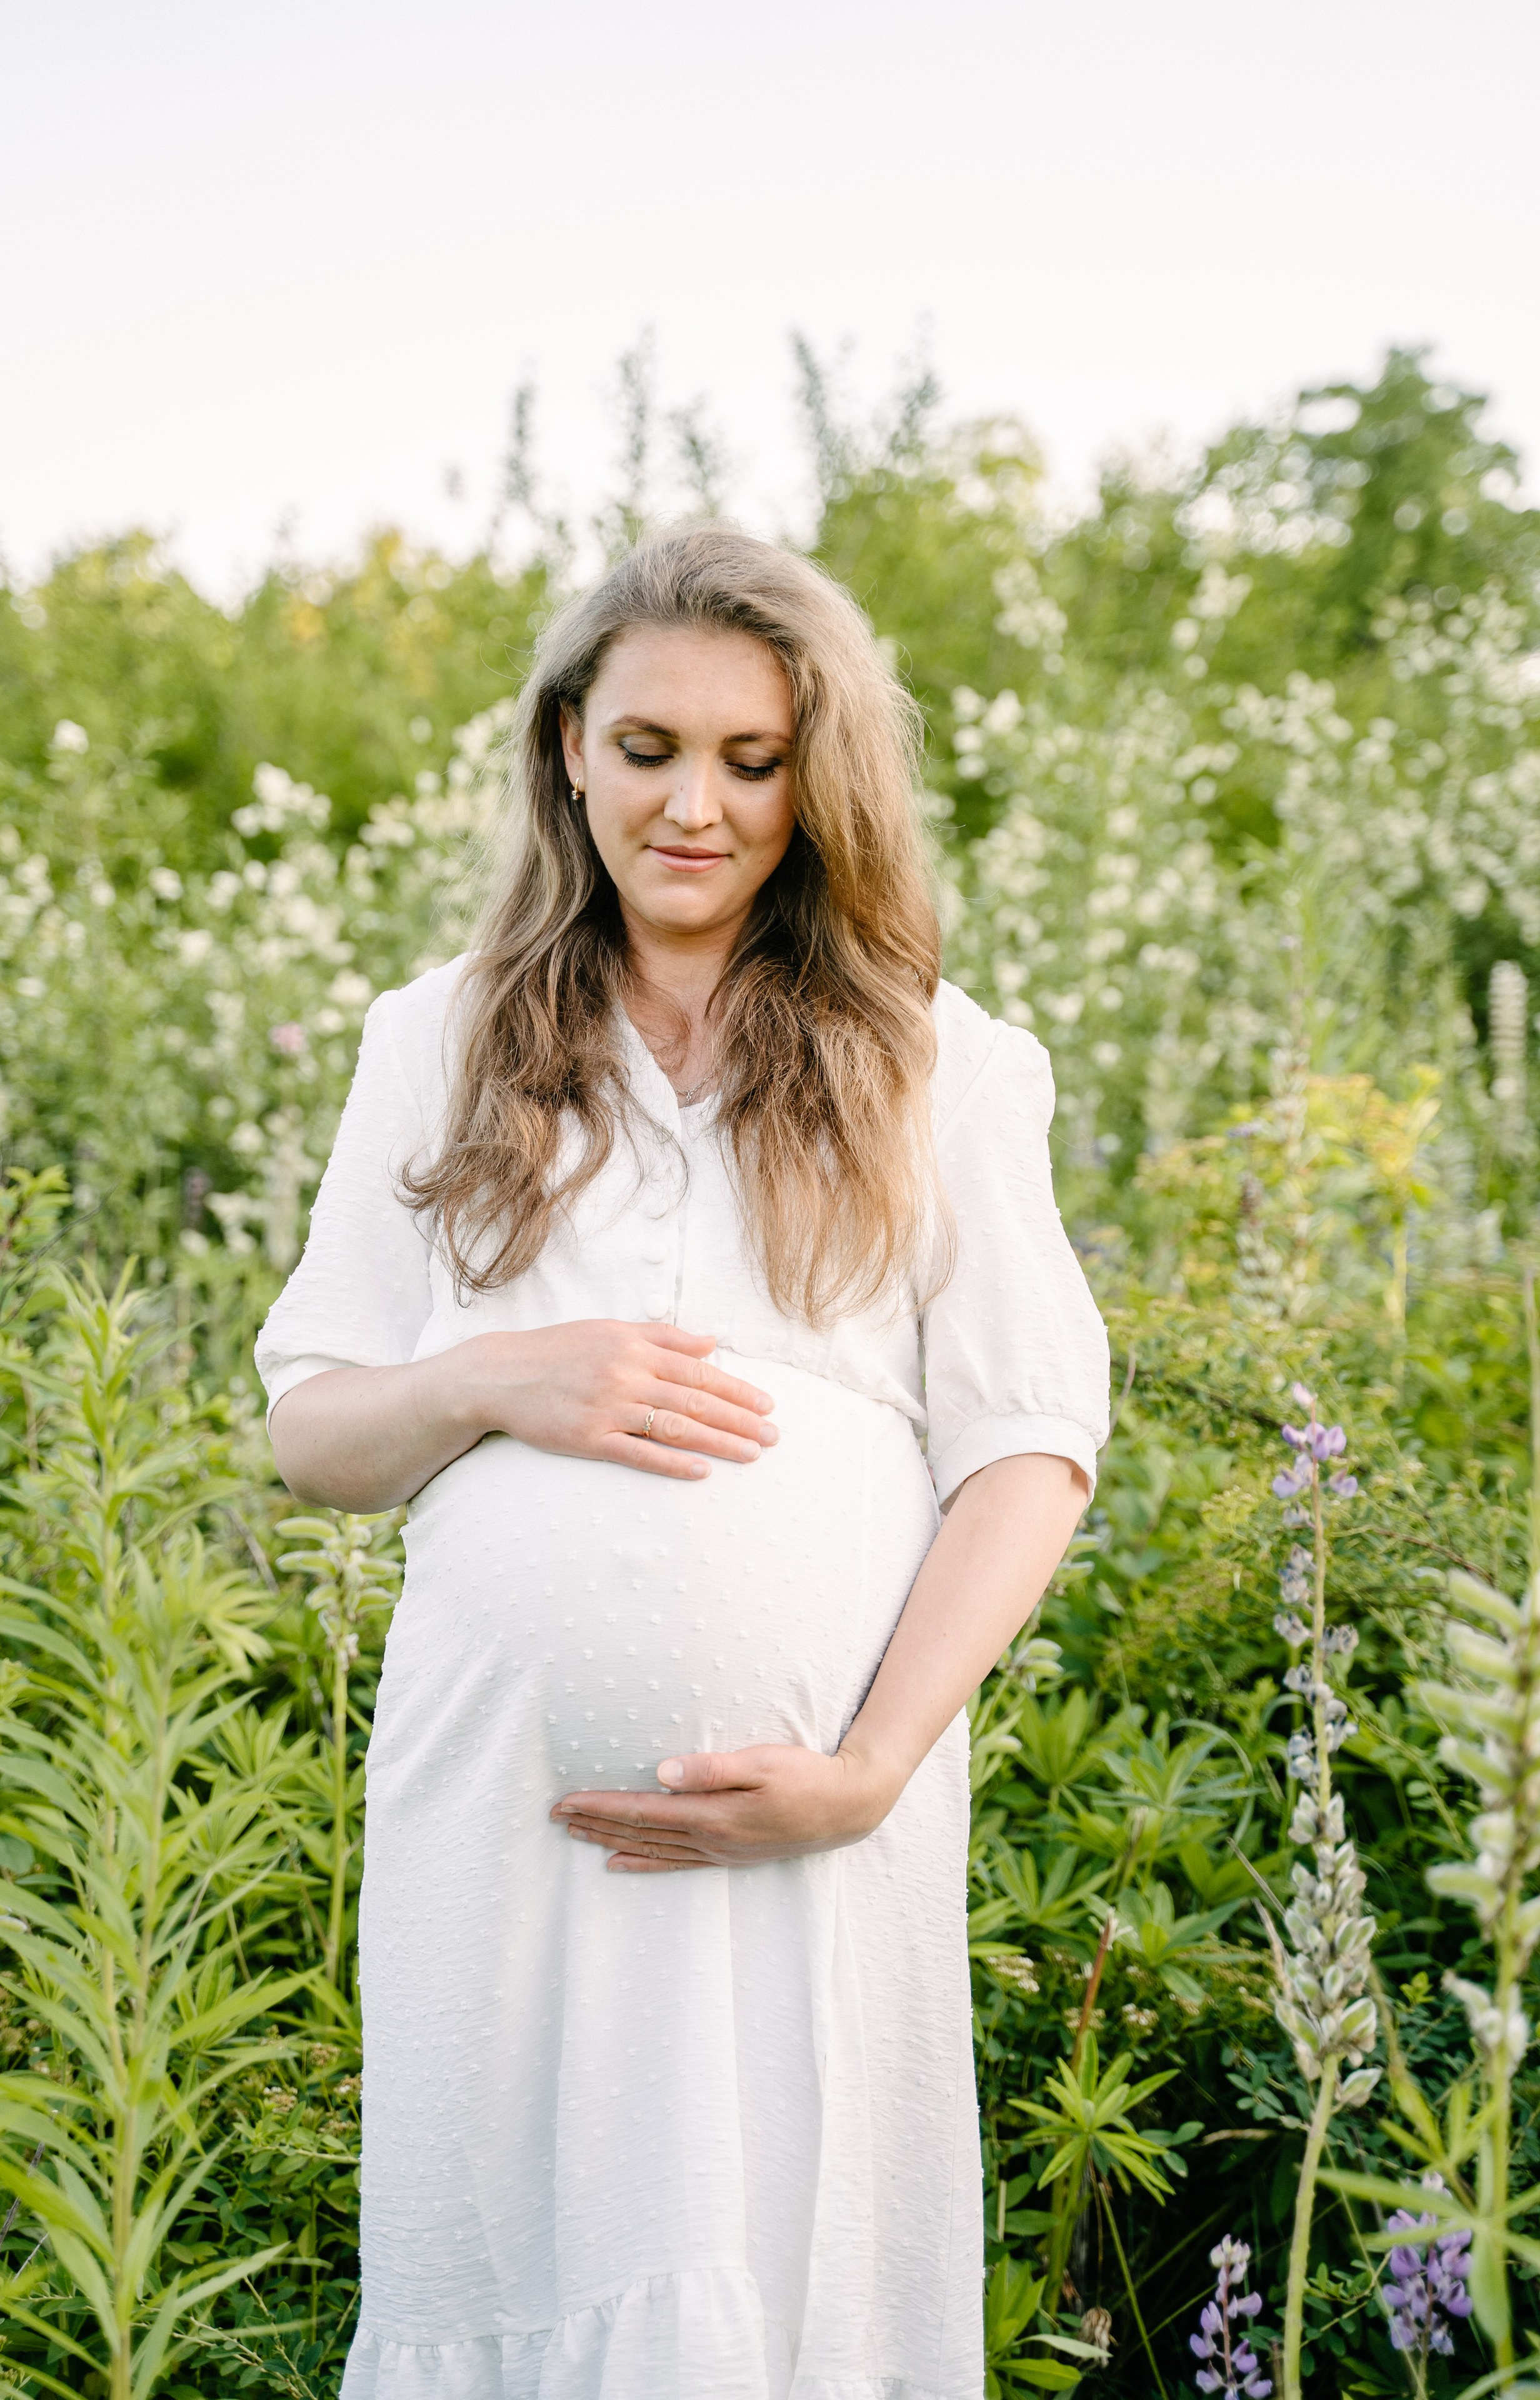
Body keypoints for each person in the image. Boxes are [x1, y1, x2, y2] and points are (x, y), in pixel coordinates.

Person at [256, 526, 1109, 2400]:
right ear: (570, 747)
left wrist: (866, 1774)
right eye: (648, 749)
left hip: (814, 1830)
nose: (694, 807)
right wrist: (499, 1377)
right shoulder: (438, 1039)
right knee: (513, 2258)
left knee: (787, 2274)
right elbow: (313, 1426)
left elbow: (1031, 1449)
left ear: (818, 781)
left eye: (752, 759)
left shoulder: (940, 1063)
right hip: (506, 1828)